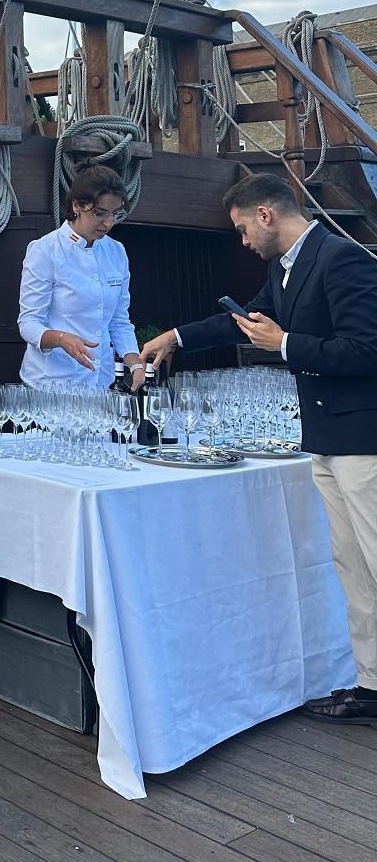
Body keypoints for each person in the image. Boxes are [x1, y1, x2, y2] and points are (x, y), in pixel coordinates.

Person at [141, 172, 377, 723]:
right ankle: (371, 685)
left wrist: (287, 343)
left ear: (266, 215)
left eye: (243, 229)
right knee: (354, 569)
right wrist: (176, 337)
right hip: (323, 441)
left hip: (365, 443)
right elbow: (242, 322)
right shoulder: (284, 268)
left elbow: (368, 350)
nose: (242, 240)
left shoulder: (343, 259)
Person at [17, 164, 144, 389]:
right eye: (99, 213)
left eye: (114, 214)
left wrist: (134, 363)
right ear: (76, 206)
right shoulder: (45, 250)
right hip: (52, 383)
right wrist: (61, 338)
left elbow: (118, 320)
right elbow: (28, 323)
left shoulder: (116, 252)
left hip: (101, 381)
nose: (108, 223)